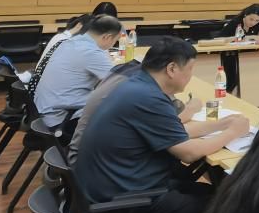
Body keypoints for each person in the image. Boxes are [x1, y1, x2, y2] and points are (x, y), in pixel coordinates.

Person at [73, 38, 249, 213]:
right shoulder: (148, 97)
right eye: (190, 69)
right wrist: (232, 133)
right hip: (125, 200)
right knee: (226, 205)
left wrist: (221, 124)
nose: (191, 76)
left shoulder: (138, 85)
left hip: (116, 184)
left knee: (213, 192)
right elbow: (189, 153)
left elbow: (174, 130)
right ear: (172, 69)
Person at [67, 54, 203, 164]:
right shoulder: (142, 90)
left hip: (91, 153)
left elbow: (166, 126)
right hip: (98, 163)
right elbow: (172, 130)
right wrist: (190, 110)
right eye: (189, 69)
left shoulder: (125, 72)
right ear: (171, 69)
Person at [32, 14, 123, 132]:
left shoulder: (70, 42)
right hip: (61, 121)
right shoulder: (91, 52)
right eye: (115, 41)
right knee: (122, 108)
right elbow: (119, 83)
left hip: (45, 112)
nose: (113, 45)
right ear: (107, 37)